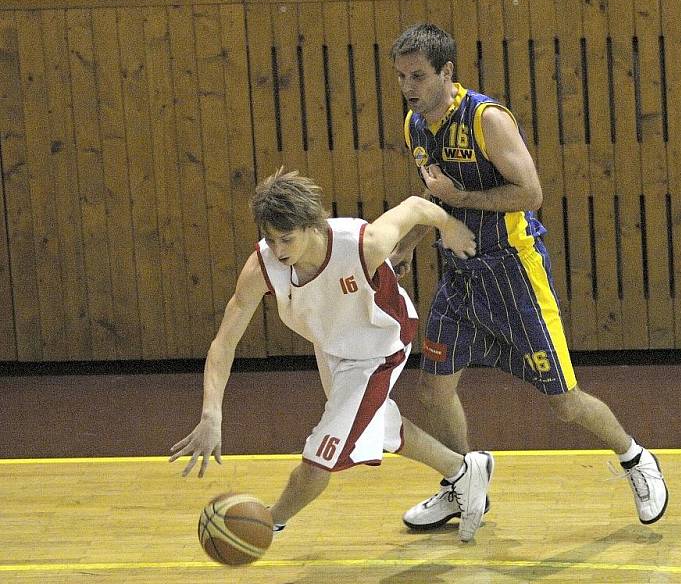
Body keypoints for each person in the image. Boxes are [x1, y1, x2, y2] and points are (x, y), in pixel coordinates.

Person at [388, 23, 667, 530]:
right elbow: (435, 198)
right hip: (460, 277)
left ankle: (635, 458)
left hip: (514, 273)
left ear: (447, 72)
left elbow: (529, 193)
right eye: (402, 77)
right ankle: (461, 481)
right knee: (433, 390)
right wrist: (407, 246)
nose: (409, 87)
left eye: (419, 76)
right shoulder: (416, 125)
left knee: (564, 402)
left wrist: (458, 200)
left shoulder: (486, 120)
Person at [169, 167, 494, 543]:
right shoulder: (262, 267)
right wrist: (211, 413)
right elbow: (223, 343)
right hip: (332, 347)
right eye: (270, 239)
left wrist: (450, 227)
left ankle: (268, 523)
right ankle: (465, 471)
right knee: (377, 424)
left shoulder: (363, 243)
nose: (278, 250)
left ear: (313, 226)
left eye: (286, 239)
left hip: (379, 347)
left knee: (320, 457)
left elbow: (417, 206)